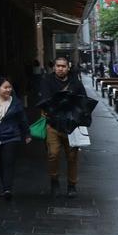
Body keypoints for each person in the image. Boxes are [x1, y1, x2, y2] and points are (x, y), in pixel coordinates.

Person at [38, 56, 89, 198]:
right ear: (54, 67)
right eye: (58, 66)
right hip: (53, 124)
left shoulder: (75, 83)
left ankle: (72, 185)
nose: (60, 68)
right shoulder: (47, 81)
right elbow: (45, 100)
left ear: (68, 67)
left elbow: (84, 101)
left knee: (72, 156)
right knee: (53, 154)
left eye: (63, 66)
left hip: (71, 126)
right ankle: (54, 180)